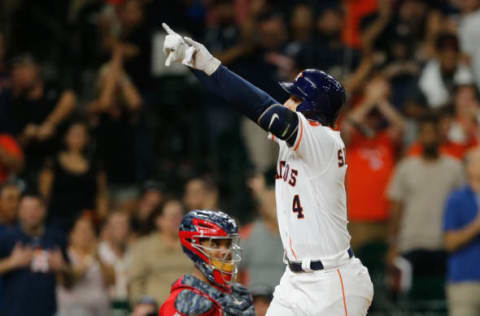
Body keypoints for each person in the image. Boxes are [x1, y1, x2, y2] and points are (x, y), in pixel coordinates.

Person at [162, 23, 373, 315]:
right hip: (295, 280)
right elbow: (246, 102)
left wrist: (209, 64)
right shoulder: (302, 140)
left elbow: (259, 105)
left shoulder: (322, 139)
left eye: (295, 98)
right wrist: (194, 62)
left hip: (332, 282)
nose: (286, 101)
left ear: (312, 108)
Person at [159, 209, 255, 315]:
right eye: (215, 245)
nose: (226, 252)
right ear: (193, 245)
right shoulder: (181, 302)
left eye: (228, 245)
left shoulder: (239, 295)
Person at [0, 192, 70, 316]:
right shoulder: (6, 238)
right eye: (26, 208)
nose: (31, 213)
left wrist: (62, 268)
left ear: (44, 210)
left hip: (48, 311)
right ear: (19, 211)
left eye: (36, 208)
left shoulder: (56, 238)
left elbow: (71, 282)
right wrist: (11, 263)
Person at [128, 199, 190, 304]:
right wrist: (140, 303)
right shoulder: (144, 247)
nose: (178, 220)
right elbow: (135, 283)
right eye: (173, 217)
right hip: (157, 310)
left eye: (180, 216)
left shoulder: (195, 246)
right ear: (159, 220)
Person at [443, 148, 480, 316]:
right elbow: (449, 243)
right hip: (465, 282)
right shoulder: (456, 199)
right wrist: (476, 226)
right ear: (469, 168)